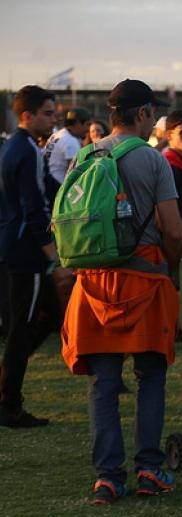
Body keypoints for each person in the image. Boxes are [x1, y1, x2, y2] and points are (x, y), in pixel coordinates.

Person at [60, 79, 182, 504]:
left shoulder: (87, 153)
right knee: (150, 377)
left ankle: (108, 477)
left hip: (93, 283)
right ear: (145, 113)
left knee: (103, 385)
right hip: (144, 280)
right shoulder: (153, 159)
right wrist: (174, 268)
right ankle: (149, 469)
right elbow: (173, 229)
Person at [0, 85, 66, 428]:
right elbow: (34, 209)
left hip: (15, 246)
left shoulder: (14, 146)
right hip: (25, 253)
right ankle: (9, 405)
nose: (55, 118)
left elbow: (45, 193)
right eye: (48, 113)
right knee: (20, 329)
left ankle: (7, 388)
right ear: (28, 115)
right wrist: (53, 258)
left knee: (48, 318)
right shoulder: (26, 150)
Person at [44, 107, 90, 184]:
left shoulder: (56, 135)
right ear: (78, 123)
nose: (88, 129)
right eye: (87, 124)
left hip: (48, 183)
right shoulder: (70, 141)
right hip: (58, 188)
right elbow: (74, 175)